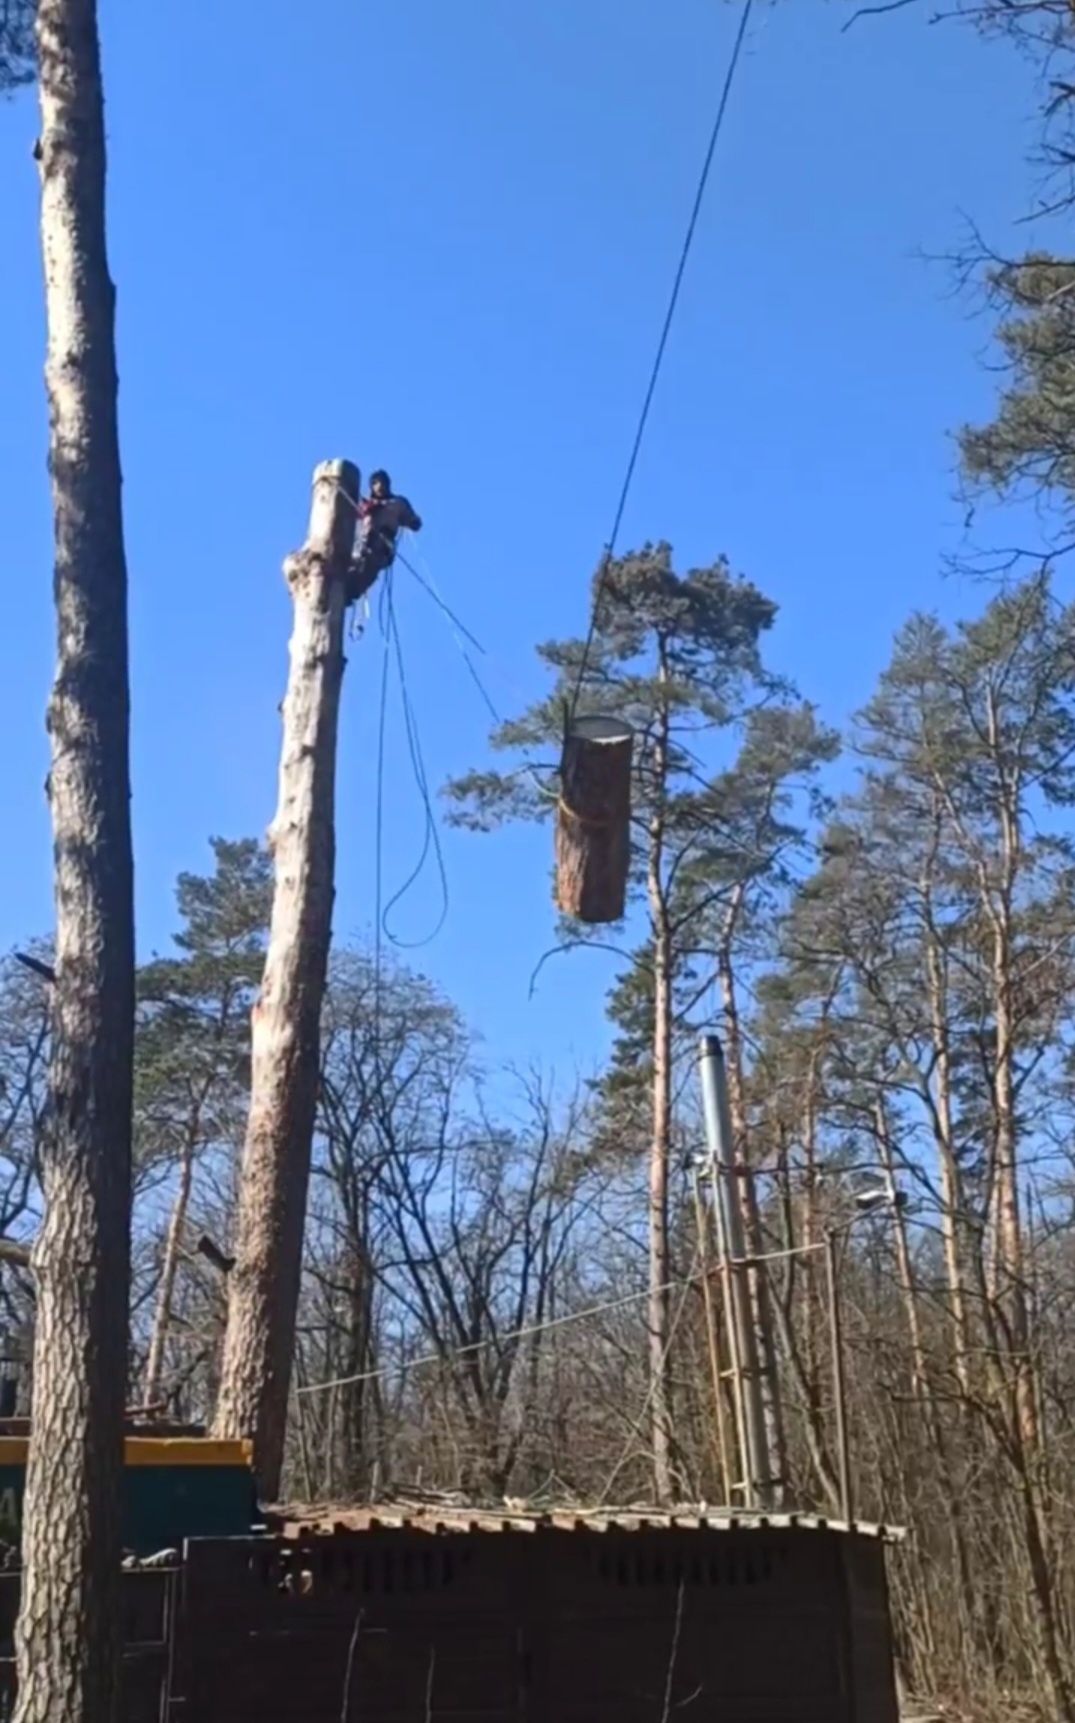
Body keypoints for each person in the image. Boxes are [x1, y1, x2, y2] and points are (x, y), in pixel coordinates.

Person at [346, 469, 422, 603]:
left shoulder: (397, 503)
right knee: (351, 568)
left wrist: (413, 521)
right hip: (360, 546)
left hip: (381, 545)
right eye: (375, 483)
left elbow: (414, 522)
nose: (379, 486)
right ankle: (343, 588)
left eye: (382, 482)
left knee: (368, 570)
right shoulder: (365, 505)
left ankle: (350, 592)